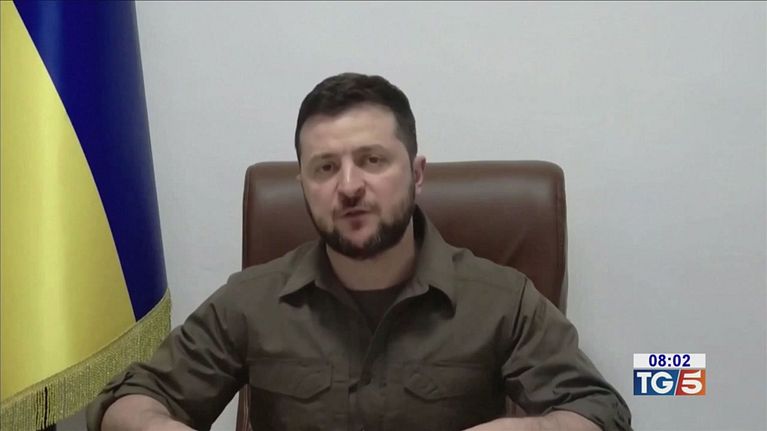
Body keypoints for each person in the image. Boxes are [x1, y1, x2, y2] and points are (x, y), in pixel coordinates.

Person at [87, 73, 632, 431]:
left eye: (372, 160)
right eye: (325, 168)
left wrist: (536, 427)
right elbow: (127, 399)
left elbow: (599, 410)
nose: (348, 186)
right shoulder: (251, 301)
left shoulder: (501, 299)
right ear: (303, 186)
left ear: (416, 174)